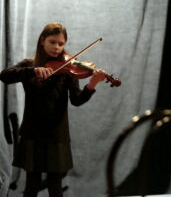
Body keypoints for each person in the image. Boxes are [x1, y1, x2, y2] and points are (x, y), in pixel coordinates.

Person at [0, 22, 107, 197]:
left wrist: (92, 84)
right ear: (42, 40)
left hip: (57, 133)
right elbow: (4, 75)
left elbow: (76, 100)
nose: (57, 47)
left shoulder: (68, 68)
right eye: (53, 42)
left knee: (55, 186)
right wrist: (33, 71)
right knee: (32, 185)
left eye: (61, 43)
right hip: (32, 132)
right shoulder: (29, 65)